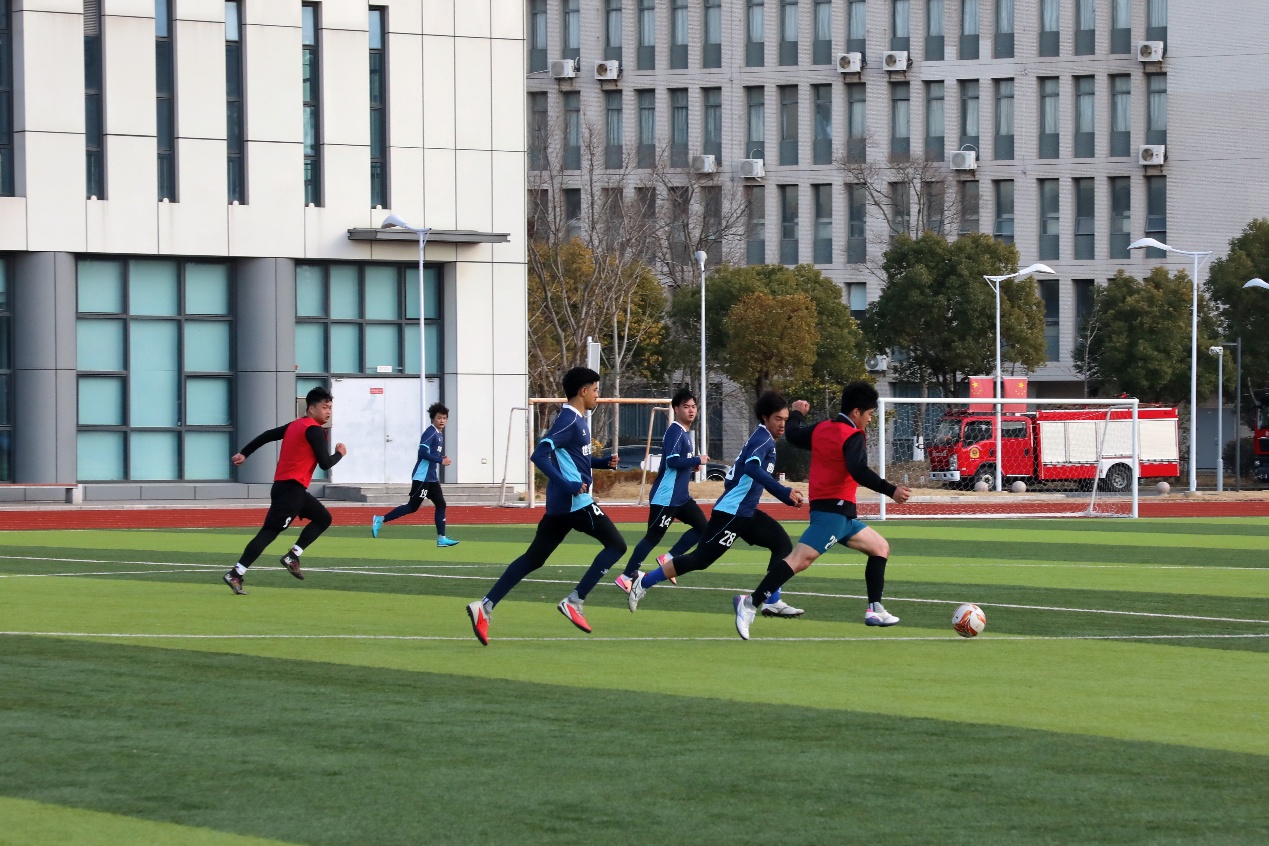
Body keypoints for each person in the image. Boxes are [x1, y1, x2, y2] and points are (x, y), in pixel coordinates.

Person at [733, 381, 912, 640]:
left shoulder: (822, 428)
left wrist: (796, 414)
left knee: (880, 548)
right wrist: (891, 490)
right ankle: (749, 603)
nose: (870, 419)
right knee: (799, 560)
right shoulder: (853, 435)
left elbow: (793, 435)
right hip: (832, 513)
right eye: (869, 414)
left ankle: (875, 609)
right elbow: (859, 471)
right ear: (856, 412)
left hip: (841, 515)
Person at [465, 367, 625, 645]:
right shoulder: (568, 420)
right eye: (596, 390)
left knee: (533, 559)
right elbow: (539, 455)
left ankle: (485, 606)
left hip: (561, 507)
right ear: (583, 391)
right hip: (575, 503)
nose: (598, 395)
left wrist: (602, 463)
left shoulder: (578, 420)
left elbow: (574, 460)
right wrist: (568, 484)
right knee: (617, 546)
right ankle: (574, 601)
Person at [626, 390, 804, 615]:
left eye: (785, 419)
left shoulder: (766, 439)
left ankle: (771, 601)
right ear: (765, 417)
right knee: (699, 560)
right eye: (778, 419)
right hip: (731, 514)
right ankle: (643, 581)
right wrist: (782, 491)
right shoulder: (762, 439)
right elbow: (751, 467)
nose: (782, 424)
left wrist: (782, 493)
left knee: (782, 544)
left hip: (746, 512)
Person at [223, 386, 347, 595]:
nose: (328, 412)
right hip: (291, 491)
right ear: (311, 408)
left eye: (330, 408)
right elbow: (325, 463)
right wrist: (340, 453)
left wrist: (245, 453)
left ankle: (293, 556)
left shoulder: (295, 425)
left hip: (290, 489)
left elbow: (267, 435)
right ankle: (236, 573)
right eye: (325, 407)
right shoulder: (315, 430)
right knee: (269, 532)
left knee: (323, 518)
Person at [612, 387, 707, 594]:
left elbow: (678, 462)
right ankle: (626, 577)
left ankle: (669, 558)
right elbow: (672, 461)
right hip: (666, 497)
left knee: (703, 528)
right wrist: (696, 459)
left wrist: (692, 465)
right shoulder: (675, 431)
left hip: (681, 497)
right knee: (653, 537)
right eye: (686, 406)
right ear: (676, 409)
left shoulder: (684, 433)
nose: (691, 410)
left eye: (693, 406)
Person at [371, 402, 459, 547]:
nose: (442, 420)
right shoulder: (430, 432)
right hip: (422, 477)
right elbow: (422, 452)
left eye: (444, 418)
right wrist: (440, 460)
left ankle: (441, 538)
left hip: (431, 478)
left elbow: (431, 453)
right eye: (439, 418)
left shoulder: (439, 434)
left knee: (441, 504)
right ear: (433, 419)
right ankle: (380, 519)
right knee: (412, 507)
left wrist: (439, 458)